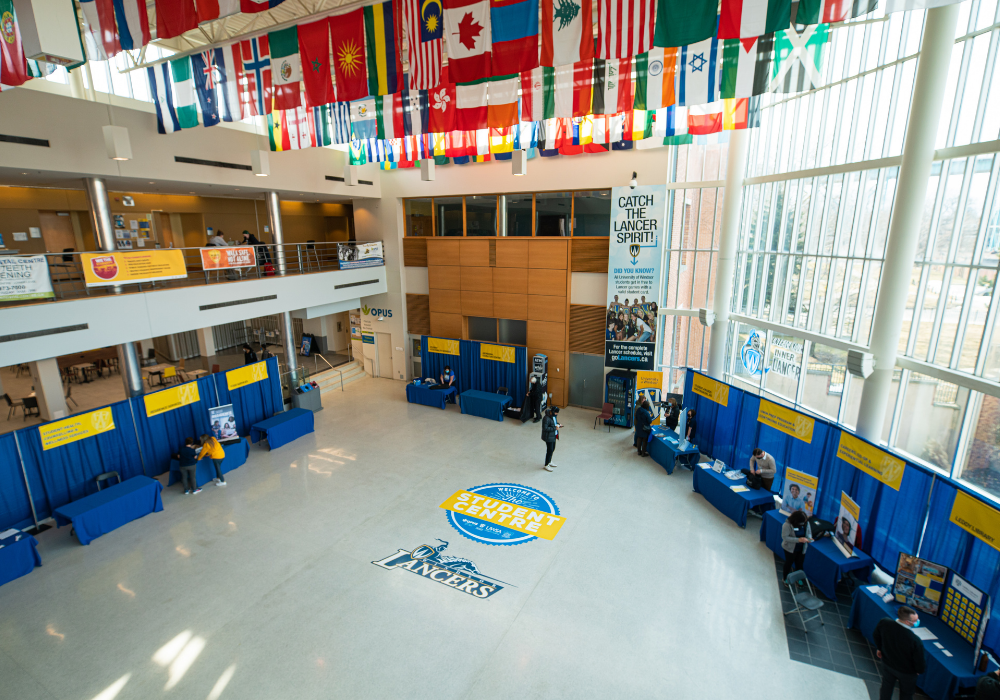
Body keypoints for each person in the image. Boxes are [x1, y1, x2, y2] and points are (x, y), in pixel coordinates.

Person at [873, 606, 926, 700]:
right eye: (915, 620)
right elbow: (919, 660)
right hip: (907, 673)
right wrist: (919, 670)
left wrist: (880, 648)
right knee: (906, 694)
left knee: (886, 687)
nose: (917, 622)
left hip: (887, 664)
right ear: (907, 622)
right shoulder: (915, 640)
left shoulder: (885, 622)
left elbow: (876, 635)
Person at [781, 510, 813, 583]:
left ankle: (799, 579)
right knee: (789, 563)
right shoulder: (787, 525)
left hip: (802, 548)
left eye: (804, 522)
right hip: (790, 548)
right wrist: (798, 540)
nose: (803, 524)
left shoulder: (806, 523)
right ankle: (785, 578)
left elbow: (809, 532)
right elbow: (785, 537)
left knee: (799, 564)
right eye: (802, 522)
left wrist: (809, 538)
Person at [542, 406, 563, 472]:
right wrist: (555, 428)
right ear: (553, 412)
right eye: (556, 413)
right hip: (548, 436)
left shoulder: (554, 416)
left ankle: (549, 461)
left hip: (553, 435)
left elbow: (554, 423)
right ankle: (546, 464)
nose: (557, 414)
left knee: (552, 449)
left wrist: (558, 424)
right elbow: (545, 428)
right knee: (549, 450)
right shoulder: (546, 418)